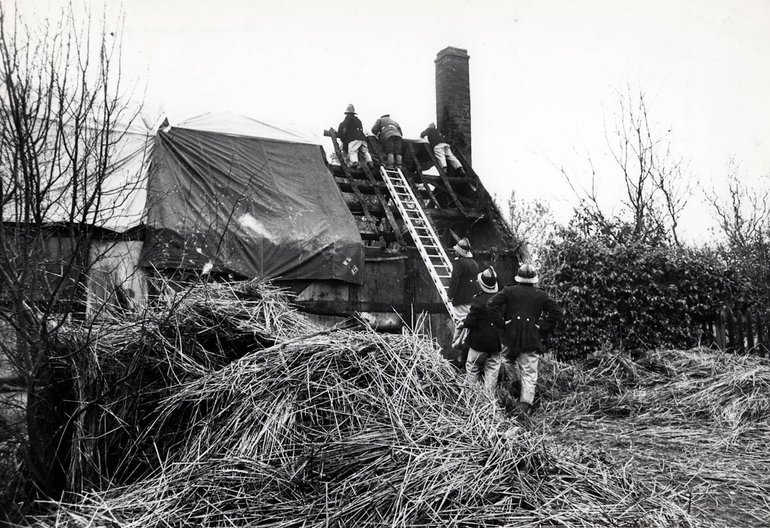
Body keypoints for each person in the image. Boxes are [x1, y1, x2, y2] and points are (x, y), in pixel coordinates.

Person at [487, 263, 563, 416]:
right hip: (531, 338)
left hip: (511, 337)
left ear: (518, 278)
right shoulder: (540, 294)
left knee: (508, 360)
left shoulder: (509, 291)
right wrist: (542, 327)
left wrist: (501, 323)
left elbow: (491, 304)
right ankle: (525, 407)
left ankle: (514, 385)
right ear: (534, 279)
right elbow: (557, 312)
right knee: (529, 374)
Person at [463, 267, 503, 393]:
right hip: (495, 344)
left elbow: (469, 322)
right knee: (492, 371)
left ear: (481, 284)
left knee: (472, 368)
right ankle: (488, 401)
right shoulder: (500, 300)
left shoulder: (477, 300)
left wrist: (463, 323)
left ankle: (472, 397)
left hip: (478, 344)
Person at [447, 237, 479, 368]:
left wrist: (450, 296)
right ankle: (464, 357)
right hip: (472, 299)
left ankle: (461, 357)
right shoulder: (474, 263)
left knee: (461, 326)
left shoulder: (459, 263)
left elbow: (455, 280)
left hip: (461, 299)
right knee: (468, 327)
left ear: (460, 252)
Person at [337, 104, 374, 170]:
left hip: (354, 138)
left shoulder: (347, 119)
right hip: (362, 138)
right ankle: (370, 162)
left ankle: (354, 162)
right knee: (365, 151)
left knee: (352, 150)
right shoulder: (358, 120)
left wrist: (341, 136)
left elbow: (342, 127)